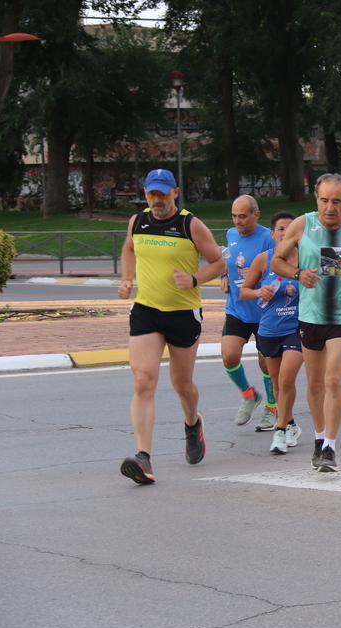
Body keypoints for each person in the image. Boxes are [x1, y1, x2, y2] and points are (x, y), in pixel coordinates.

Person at [118, 168, 225, 484]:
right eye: (152, 194)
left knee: (182, 385)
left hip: (183, 313)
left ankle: (193, 423)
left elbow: (219, 262)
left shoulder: (190, 225)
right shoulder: (138, 221)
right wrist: (126, 278)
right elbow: (128, 248)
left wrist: (193, 279)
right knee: (143, 380)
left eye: (162, 194)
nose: (157, 200)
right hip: (147, 310)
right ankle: (143, 459)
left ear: (175, 193)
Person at [270, 173, 341, 472]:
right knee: (315, 383)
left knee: (333, 379)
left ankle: (330, 448)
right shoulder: (303, 225)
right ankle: (319, 439)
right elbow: (276, 261)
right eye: (324, 200)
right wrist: (297, 273)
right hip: (311, 315)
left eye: (336, 201)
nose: (330, 207)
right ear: (316, 199)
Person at [239, 211, 303, 453]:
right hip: (268, 329)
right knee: (277, 383)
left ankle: (279, 430)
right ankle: (291, 424)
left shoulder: (307, 258)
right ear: (273, 233)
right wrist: (258, 292)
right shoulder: (263, 260)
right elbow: (243, 291)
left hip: (296, 329)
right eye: (281, 229)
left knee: (287, 379)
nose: (285, 233)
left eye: (290, 229)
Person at [221, 195, 278, 430]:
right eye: (234, 216)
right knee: (229, 356)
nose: (238, 221)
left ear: (256, 214)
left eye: (243, 216)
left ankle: (272, 407)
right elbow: (226, 260)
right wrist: (224, 275)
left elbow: (277, 266)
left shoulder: (268, 238)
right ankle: (249, 395)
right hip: (237, 306)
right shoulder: (230, 235)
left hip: (263, 310)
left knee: (266, 365)